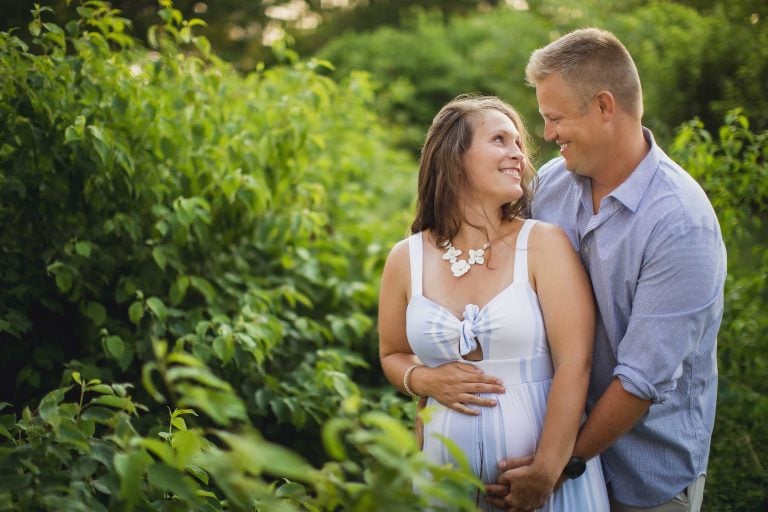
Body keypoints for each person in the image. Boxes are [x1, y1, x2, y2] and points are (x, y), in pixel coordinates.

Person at [484, 28, 727, 512]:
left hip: (642, 478)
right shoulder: (552, 184)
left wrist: (558, 465)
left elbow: (639, 382)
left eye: (555, 119)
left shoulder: (681, 225)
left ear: (603, 106)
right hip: (545, 448)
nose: (547, 134)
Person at [377, 94, 610, 511]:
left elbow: (576, 366)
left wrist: (547, 470)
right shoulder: (405, 258)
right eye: (500, 140)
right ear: (454, 157)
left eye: (519, 143)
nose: (518, 154)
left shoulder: (542, 244)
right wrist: (423, 380)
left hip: (543, 487)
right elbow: (393, 353)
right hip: (442, 481)